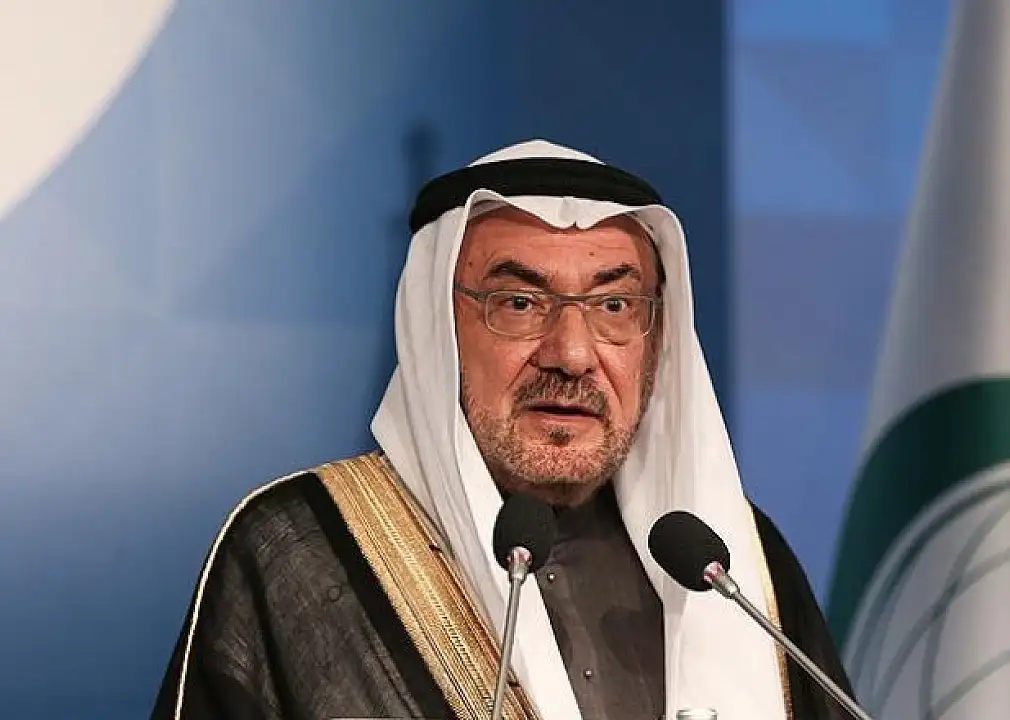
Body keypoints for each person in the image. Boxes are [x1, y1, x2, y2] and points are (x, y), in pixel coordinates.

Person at [150, 140, 854, 720]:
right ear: (439, 331)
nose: (571, 354)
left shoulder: (732, 569)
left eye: (614, 305)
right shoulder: (298, 552)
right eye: (519, 303)